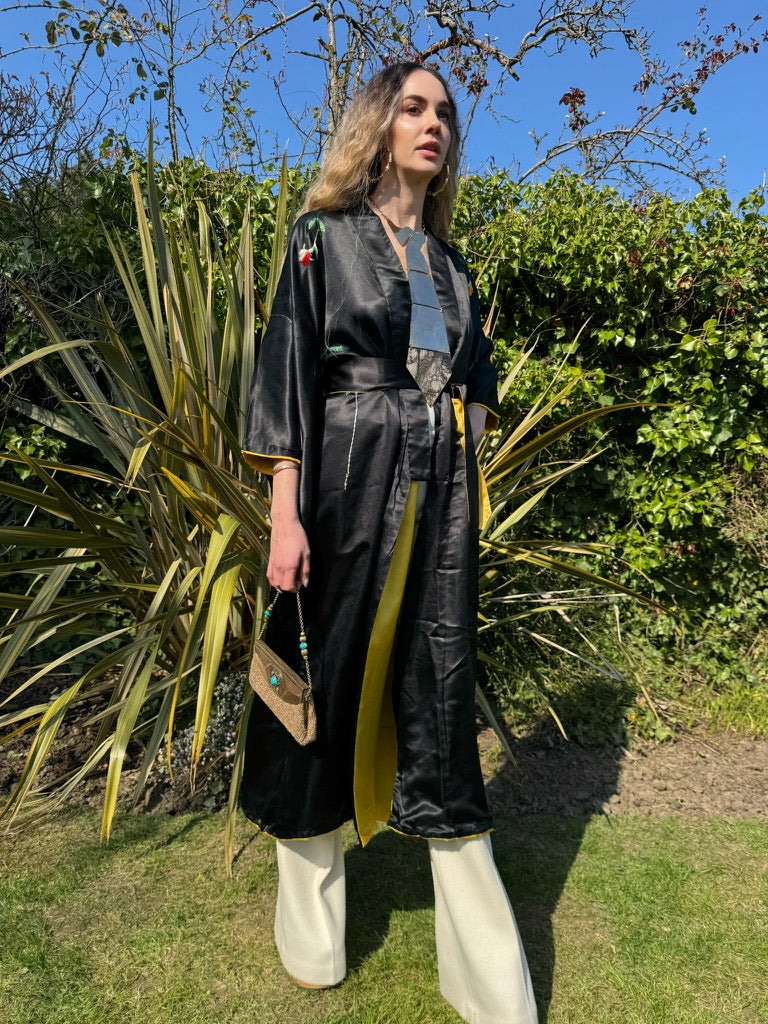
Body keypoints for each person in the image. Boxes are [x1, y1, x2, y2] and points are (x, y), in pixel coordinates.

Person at [241, 62, 538, 1024]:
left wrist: (461, 443)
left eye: (445, 112)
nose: (433, 123)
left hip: (436, 497)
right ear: (378, 124)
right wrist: (285, 516)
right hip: (342, 483)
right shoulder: (322, 238)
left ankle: (485, 979)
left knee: (441, 696)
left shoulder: (454, 268)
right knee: (315, 686)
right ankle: (312, 940)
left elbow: (477, 377)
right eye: (413, 107)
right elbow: (288, 368)